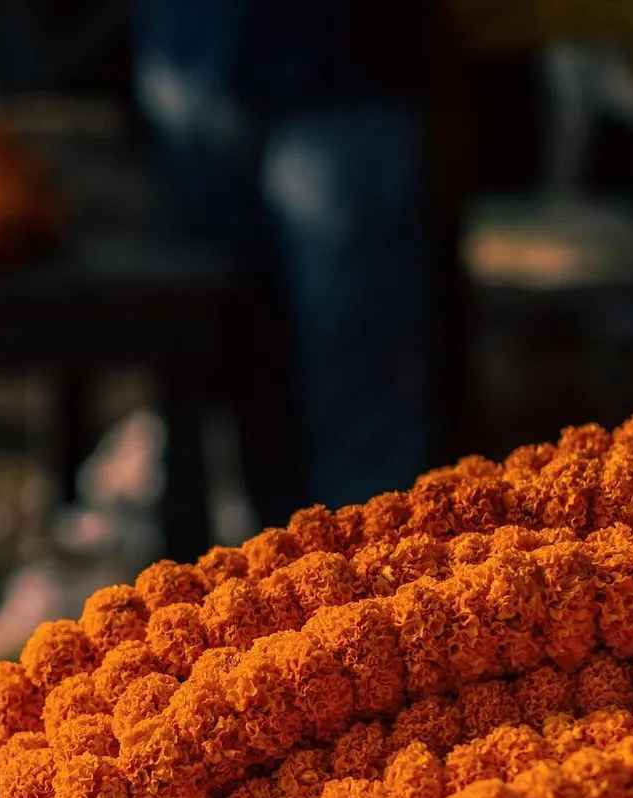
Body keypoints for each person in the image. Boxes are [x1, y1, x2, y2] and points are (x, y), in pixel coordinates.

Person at [131, 0, 437, 525]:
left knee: (359, 371)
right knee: (242, 362)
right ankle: (272, 551)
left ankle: (376, 561)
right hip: (193, 63)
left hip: (342, 69)